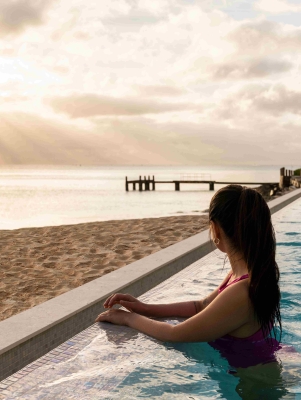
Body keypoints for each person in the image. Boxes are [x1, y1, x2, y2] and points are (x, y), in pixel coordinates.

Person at [95, 185, 282, 368]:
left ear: (216, 230)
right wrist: (145, 308)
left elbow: (175, 334)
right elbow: (200, 306)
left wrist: (128, 319)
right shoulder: (242, 276)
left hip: (254, 386)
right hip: (253, 372)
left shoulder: (241, 292)